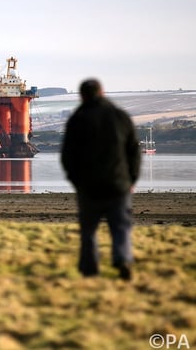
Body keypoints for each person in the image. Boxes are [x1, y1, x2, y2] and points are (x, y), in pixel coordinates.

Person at [61, 79, 141, 280]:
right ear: (102, 92)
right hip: (118, 184)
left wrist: (75, 180)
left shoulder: (78, 118)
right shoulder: (120, 116)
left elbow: (67, 154)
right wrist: (131, 179)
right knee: (120, 227)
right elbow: (134, 152)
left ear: (82, 96)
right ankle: (122, 259)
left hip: (88, 185)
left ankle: (90, 269)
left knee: (88, 230)